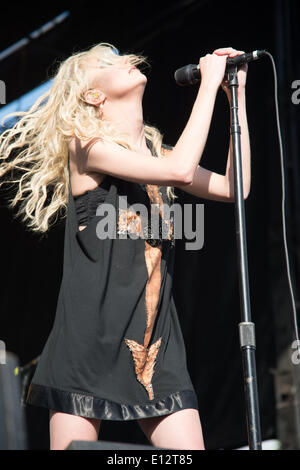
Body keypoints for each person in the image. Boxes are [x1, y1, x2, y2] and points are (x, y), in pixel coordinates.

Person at [0, 43, 250, 450]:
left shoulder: (158, 154)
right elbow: (179, 170)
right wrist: (207, 87)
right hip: (87, 344)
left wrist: (234, 96)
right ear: (93, 95)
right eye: (109, 62)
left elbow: (234, 187)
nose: (128, 59)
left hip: (156, 349)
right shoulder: (87, 147)